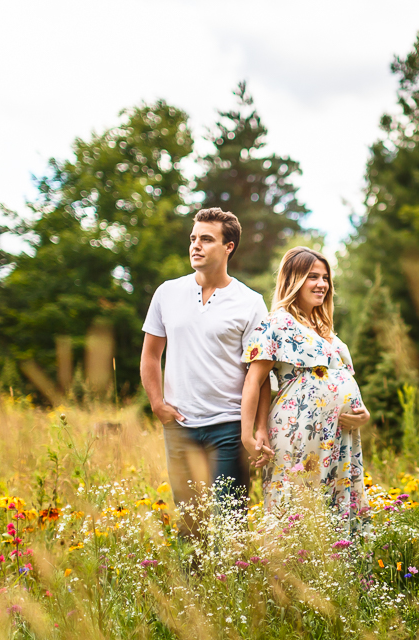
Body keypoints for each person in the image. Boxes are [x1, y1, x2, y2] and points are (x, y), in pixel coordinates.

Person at [140, 207, 273, 526]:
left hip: (228, 428)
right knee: (190, 524)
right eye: (193, 238)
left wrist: (260, 427)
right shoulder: (167, 293)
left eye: (206, 239)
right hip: (180, 427)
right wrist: (157, 405)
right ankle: (189, 578)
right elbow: (150, 355)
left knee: (230, 522)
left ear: (229, 246)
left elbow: (262, 374)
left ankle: (234, 579)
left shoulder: (250, 302)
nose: (195, 245)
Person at [240, 247, 371, 533]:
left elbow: (343, 379)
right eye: (313, 276)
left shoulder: (325, 328)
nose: (322, 284)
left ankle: (337, 573)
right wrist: (248, 432)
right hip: (299, 429)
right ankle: (291, 575)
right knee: (297, 504)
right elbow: (254, 379)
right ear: (293, 280)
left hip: (339, 435)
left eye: (325, 277)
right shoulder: (278, 322)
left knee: (336, 505)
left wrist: (363, 414)